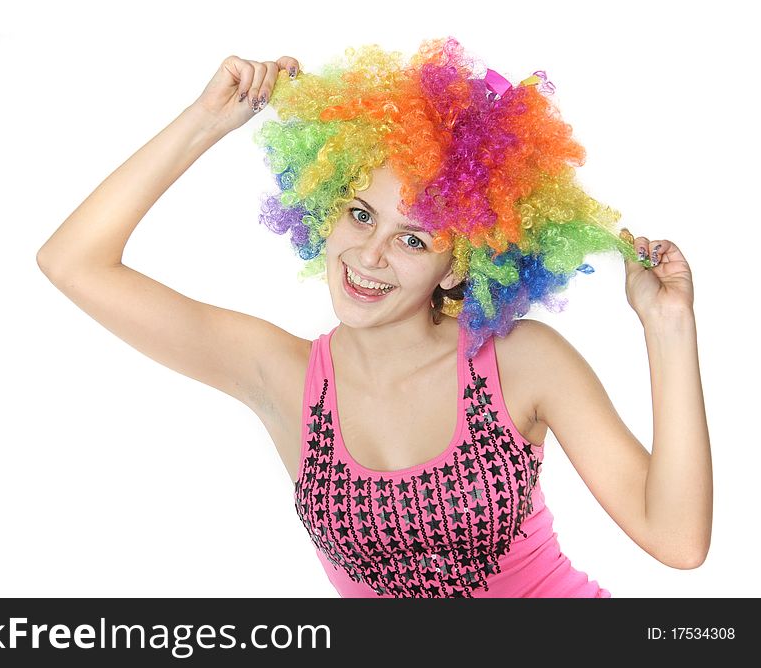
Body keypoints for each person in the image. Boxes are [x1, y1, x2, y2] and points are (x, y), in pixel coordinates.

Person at [36, 37, 712, 598]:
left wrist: (667, 326)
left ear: (455, 266)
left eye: (412, 238)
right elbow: (73, 262)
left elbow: (677, 540)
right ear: (328, 204)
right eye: (360, 213)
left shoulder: (519, 361)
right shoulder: (283, 377)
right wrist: (207, 121)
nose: (369, 253)